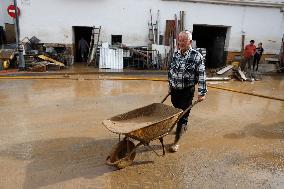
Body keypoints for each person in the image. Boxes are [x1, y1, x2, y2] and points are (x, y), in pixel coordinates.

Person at [168, 31, 207, 152]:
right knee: (176, 110)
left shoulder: (196, 56)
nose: (180, 42)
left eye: (183, 40)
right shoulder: (176, 54)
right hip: (175, 90)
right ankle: (183, 126)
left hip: (187, 91)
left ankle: (177, 142)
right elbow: (171, 71)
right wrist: (170, 86)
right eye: (179, 40)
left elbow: (201, 75)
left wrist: (202, 92)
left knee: (182, 115)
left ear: (190, 42)